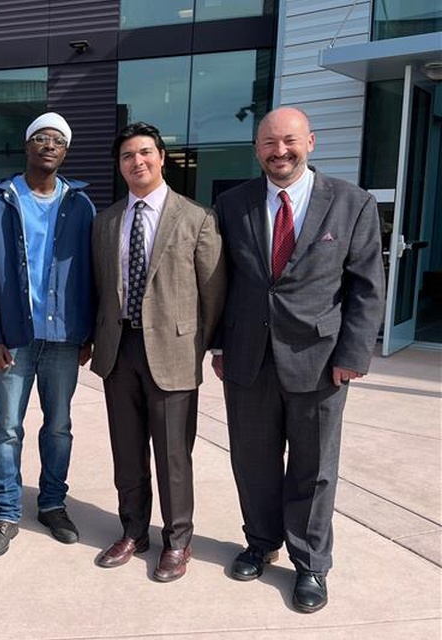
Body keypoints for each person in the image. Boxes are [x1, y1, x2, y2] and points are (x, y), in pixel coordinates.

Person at [212, 107, 384, 612]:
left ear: (310, 141)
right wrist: (219, 345)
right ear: (257, 150)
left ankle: (310, 563)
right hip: (248, 360)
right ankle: (262, 543)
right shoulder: (232, 203)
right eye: (268, 143)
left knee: (314, 468)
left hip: (321, 359)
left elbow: (367, 286)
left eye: (288, 141)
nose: (279, 151)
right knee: (253, 461)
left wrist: (353, 353)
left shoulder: (351, 203)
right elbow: (221, 282)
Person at [90, 122, 225, 581]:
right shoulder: (106, 221)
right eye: (128, 156)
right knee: (126, 452)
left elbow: (214, 295)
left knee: (172, 456)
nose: (137, 162)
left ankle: (178, 541)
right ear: (120, 165)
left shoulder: (196, 218)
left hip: (172, 355)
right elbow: (98, 288)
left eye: (145, 152)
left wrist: (195, 346)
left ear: (161, 157)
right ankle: (133, 531)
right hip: (118, 350)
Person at [0, 112, 96, 557]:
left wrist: (88, 333)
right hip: (13, 338)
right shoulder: (1, 201)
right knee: (6, 429)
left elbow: (93, 274)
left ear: (66, 151)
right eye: (40, 137)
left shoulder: (80, 205)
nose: (49, 145)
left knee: (58, 426)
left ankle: (53, 503)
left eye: (58, 140)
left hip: (63, 339)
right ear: (26, 146)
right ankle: (5, 511)